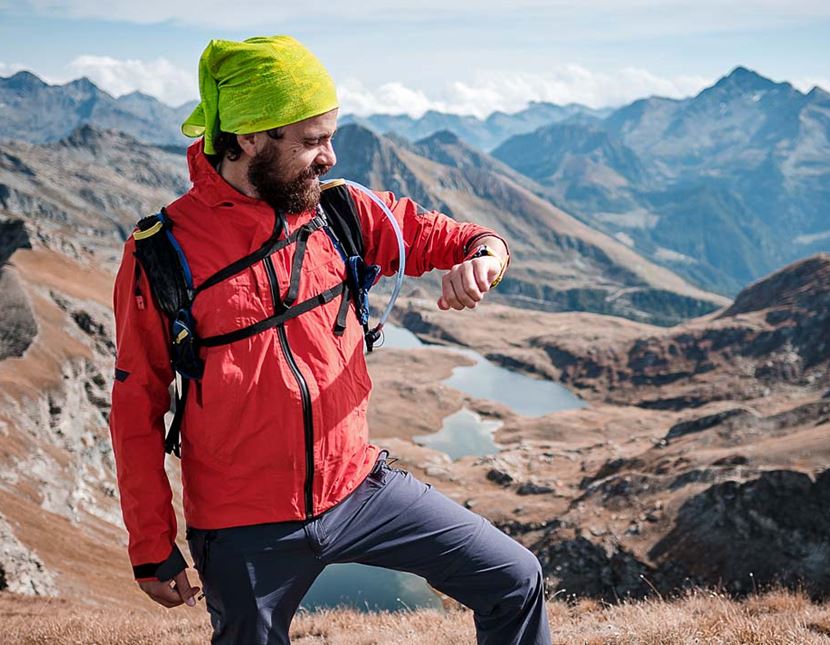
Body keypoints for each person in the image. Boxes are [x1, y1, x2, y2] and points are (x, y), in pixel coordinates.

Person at [108, 35, 552, 645]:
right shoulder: (161, 251)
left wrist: (485, 258)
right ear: (248, 139)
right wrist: (151, 544)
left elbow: (458, 236)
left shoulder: (343, 212)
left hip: (359, 488)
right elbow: (137, 404)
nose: (329, 156)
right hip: (243, 522)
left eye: (331, 137)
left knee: (513, 578)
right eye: (313, 141)